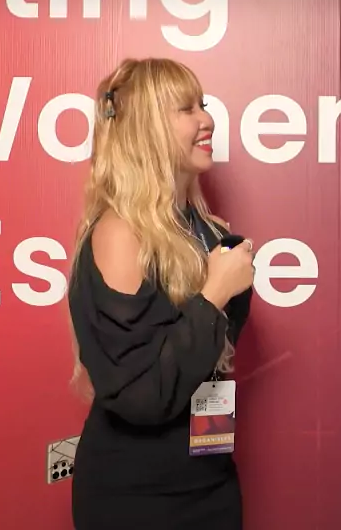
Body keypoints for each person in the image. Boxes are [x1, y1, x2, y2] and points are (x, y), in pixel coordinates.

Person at [66, 58, 254, 530]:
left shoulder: (203, 231)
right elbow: (142, 397)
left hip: (210, 478)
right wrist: (213, 292)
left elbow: (209, 361)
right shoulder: (120, 233)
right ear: (146, 129)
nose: (206, 120)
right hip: (138, 497)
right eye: (186, 109)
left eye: (202, 105)